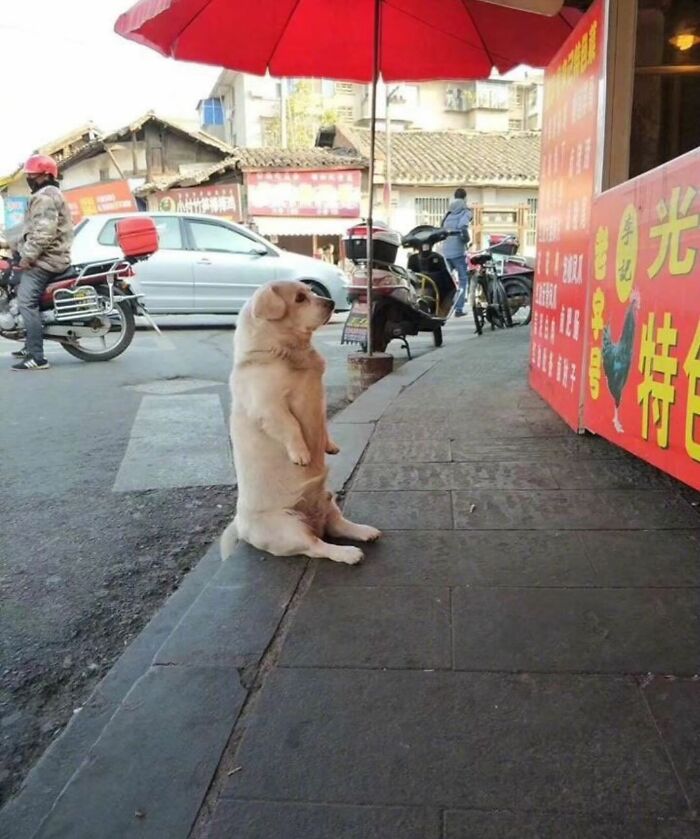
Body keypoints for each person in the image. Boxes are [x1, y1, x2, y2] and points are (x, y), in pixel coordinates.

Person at [10, 154, 73, 371]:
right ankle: (28, 342)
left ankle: (37, 357)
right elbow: (28, 230)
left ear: (45, 175)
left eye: (32, 175)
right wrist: (11, 246)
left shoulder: (45, 197)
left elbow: (43, 234)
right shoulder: (46, 194)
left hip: (47, 260)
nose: (29, 178)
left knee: (26, 301)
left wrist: (27, 258)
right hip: (49, 256)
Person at [441, 188, 472, 319]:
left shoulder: (448, 213)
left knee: (446, 280)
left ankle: (443, 308)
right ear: (465, 198)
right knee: (463, 279)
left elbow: (441, 228)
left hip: (445, 250)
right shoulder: (466, 211)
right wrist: (466, 239)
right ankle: (459, 308)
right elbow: (463, 226)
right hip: (458, 250)